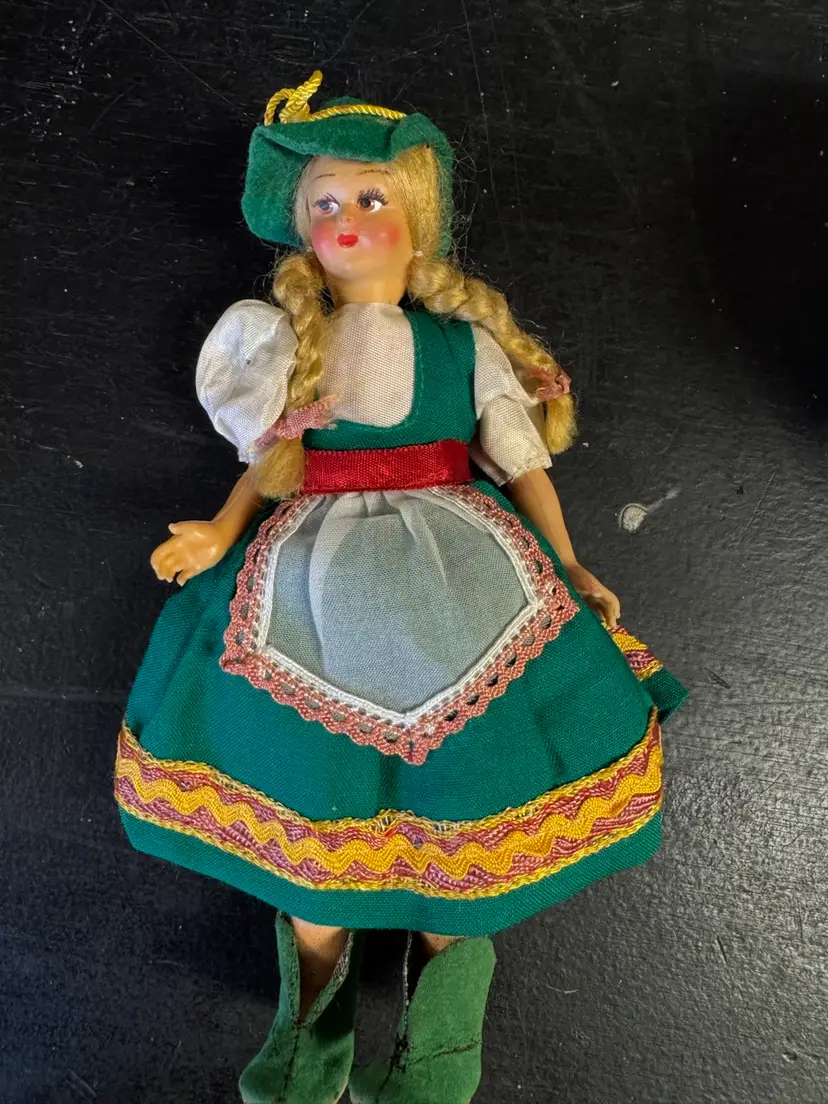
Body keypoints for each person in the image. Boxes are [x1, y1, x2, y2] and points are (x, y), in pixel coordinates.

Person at [114, 70, 689, 1104]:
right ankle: (309, 1031)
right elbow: (270, 462)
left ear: (417, 219)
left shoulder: (461, 346)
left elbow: (522, 463)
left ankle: (440, 1050)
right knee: (307, 820)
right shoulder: (291, 345)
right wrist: (221, 529)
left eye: (370, 197)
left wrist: (568, 563)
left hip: (465, 577)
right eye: (325, 203)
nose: (346, 218)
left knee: (472, 811)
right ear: (301, 229)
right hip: (311, 581)